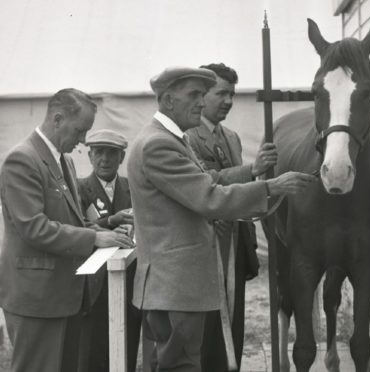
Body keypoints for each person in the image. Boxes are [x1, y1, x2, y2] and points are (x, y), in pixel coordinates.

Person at [127, 66, 316, 372]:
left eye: (203, 94)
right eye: (194, 95)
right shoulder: (158, 145)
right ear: (168, 100)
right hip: (176, 286)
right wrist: (271, 186)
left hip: (176, 285)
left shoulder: (172, 139)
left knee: (175, 361)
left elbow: (205, 183)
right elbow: (209, 196)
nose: (201, 103)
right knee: (180, 365)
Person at [0, 88, 134, 372]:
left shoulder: (64, 161)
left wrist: (105, 231)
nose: (83, 141)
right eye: (80, 131)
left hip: (64, 295)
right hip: (36, 298)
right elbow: (34, 228)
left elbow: (74, 219)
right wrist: (94, 237)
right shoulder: (22, 159)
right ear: (57, 119)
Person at [185, 63, 275, 371]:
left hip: (234, 242)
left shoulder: (232, 137)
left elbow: (240, 190)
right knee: (209, 327)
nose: (228, 101)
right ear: (202, 94)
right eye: (221, 93)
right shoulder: (188, 138)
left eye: (232, 94)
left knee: (233, 322)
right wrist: (253, 170)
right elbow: (205, 183)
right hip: (206, 247)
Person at [77, 129, 142, 372]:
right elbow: (79, 225)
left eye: (111, 154)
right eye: (99, 153)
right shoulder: (80, 188)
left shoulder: (132, 187)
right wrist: (111, 222)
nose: (105, 159)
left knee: (127, 344)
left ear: (121, 158)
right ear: (90, 157)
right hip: (94, 285)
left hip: (130, 281)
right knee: (92, 349)